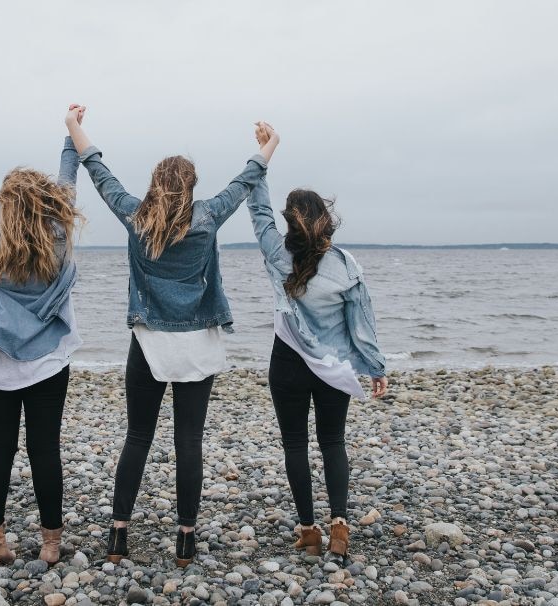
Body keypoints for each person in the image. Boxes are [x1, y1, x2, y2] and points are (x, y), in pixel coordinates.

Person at [65, 109, 280, 567]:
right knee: (189, 441)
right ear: (192, 186)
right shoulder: (207, 217)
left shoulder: (135, 215)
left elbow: (100, 173)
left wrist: (73, 126)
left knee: (138, 436)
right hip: (197, 344)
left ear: (155, 184)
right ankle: (185, 538)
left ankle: (119, 534)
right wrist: (268, 143)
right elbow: (245, 182)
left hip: (147, 344)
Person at [246, 121, 388, 558]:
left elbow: (257, 206)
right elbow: (361, 324)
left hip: (287, 363)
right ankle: (340, 526)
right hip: (333, 367)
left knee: (295, 444)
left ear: (290, 221)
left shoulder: (276, 252)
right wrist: (375, 367)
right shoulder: (346, 265)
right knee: (333, 442)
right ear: (324, 219)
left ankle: (308, 531)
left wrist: (266, 153)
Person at [0, 105, 87, 565]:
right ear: (43, 204)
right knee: (44, 449)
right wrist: (69, 134)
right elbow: (68, 184)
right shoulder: (57, 236)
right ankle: (51, 544)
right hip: (49, 360)